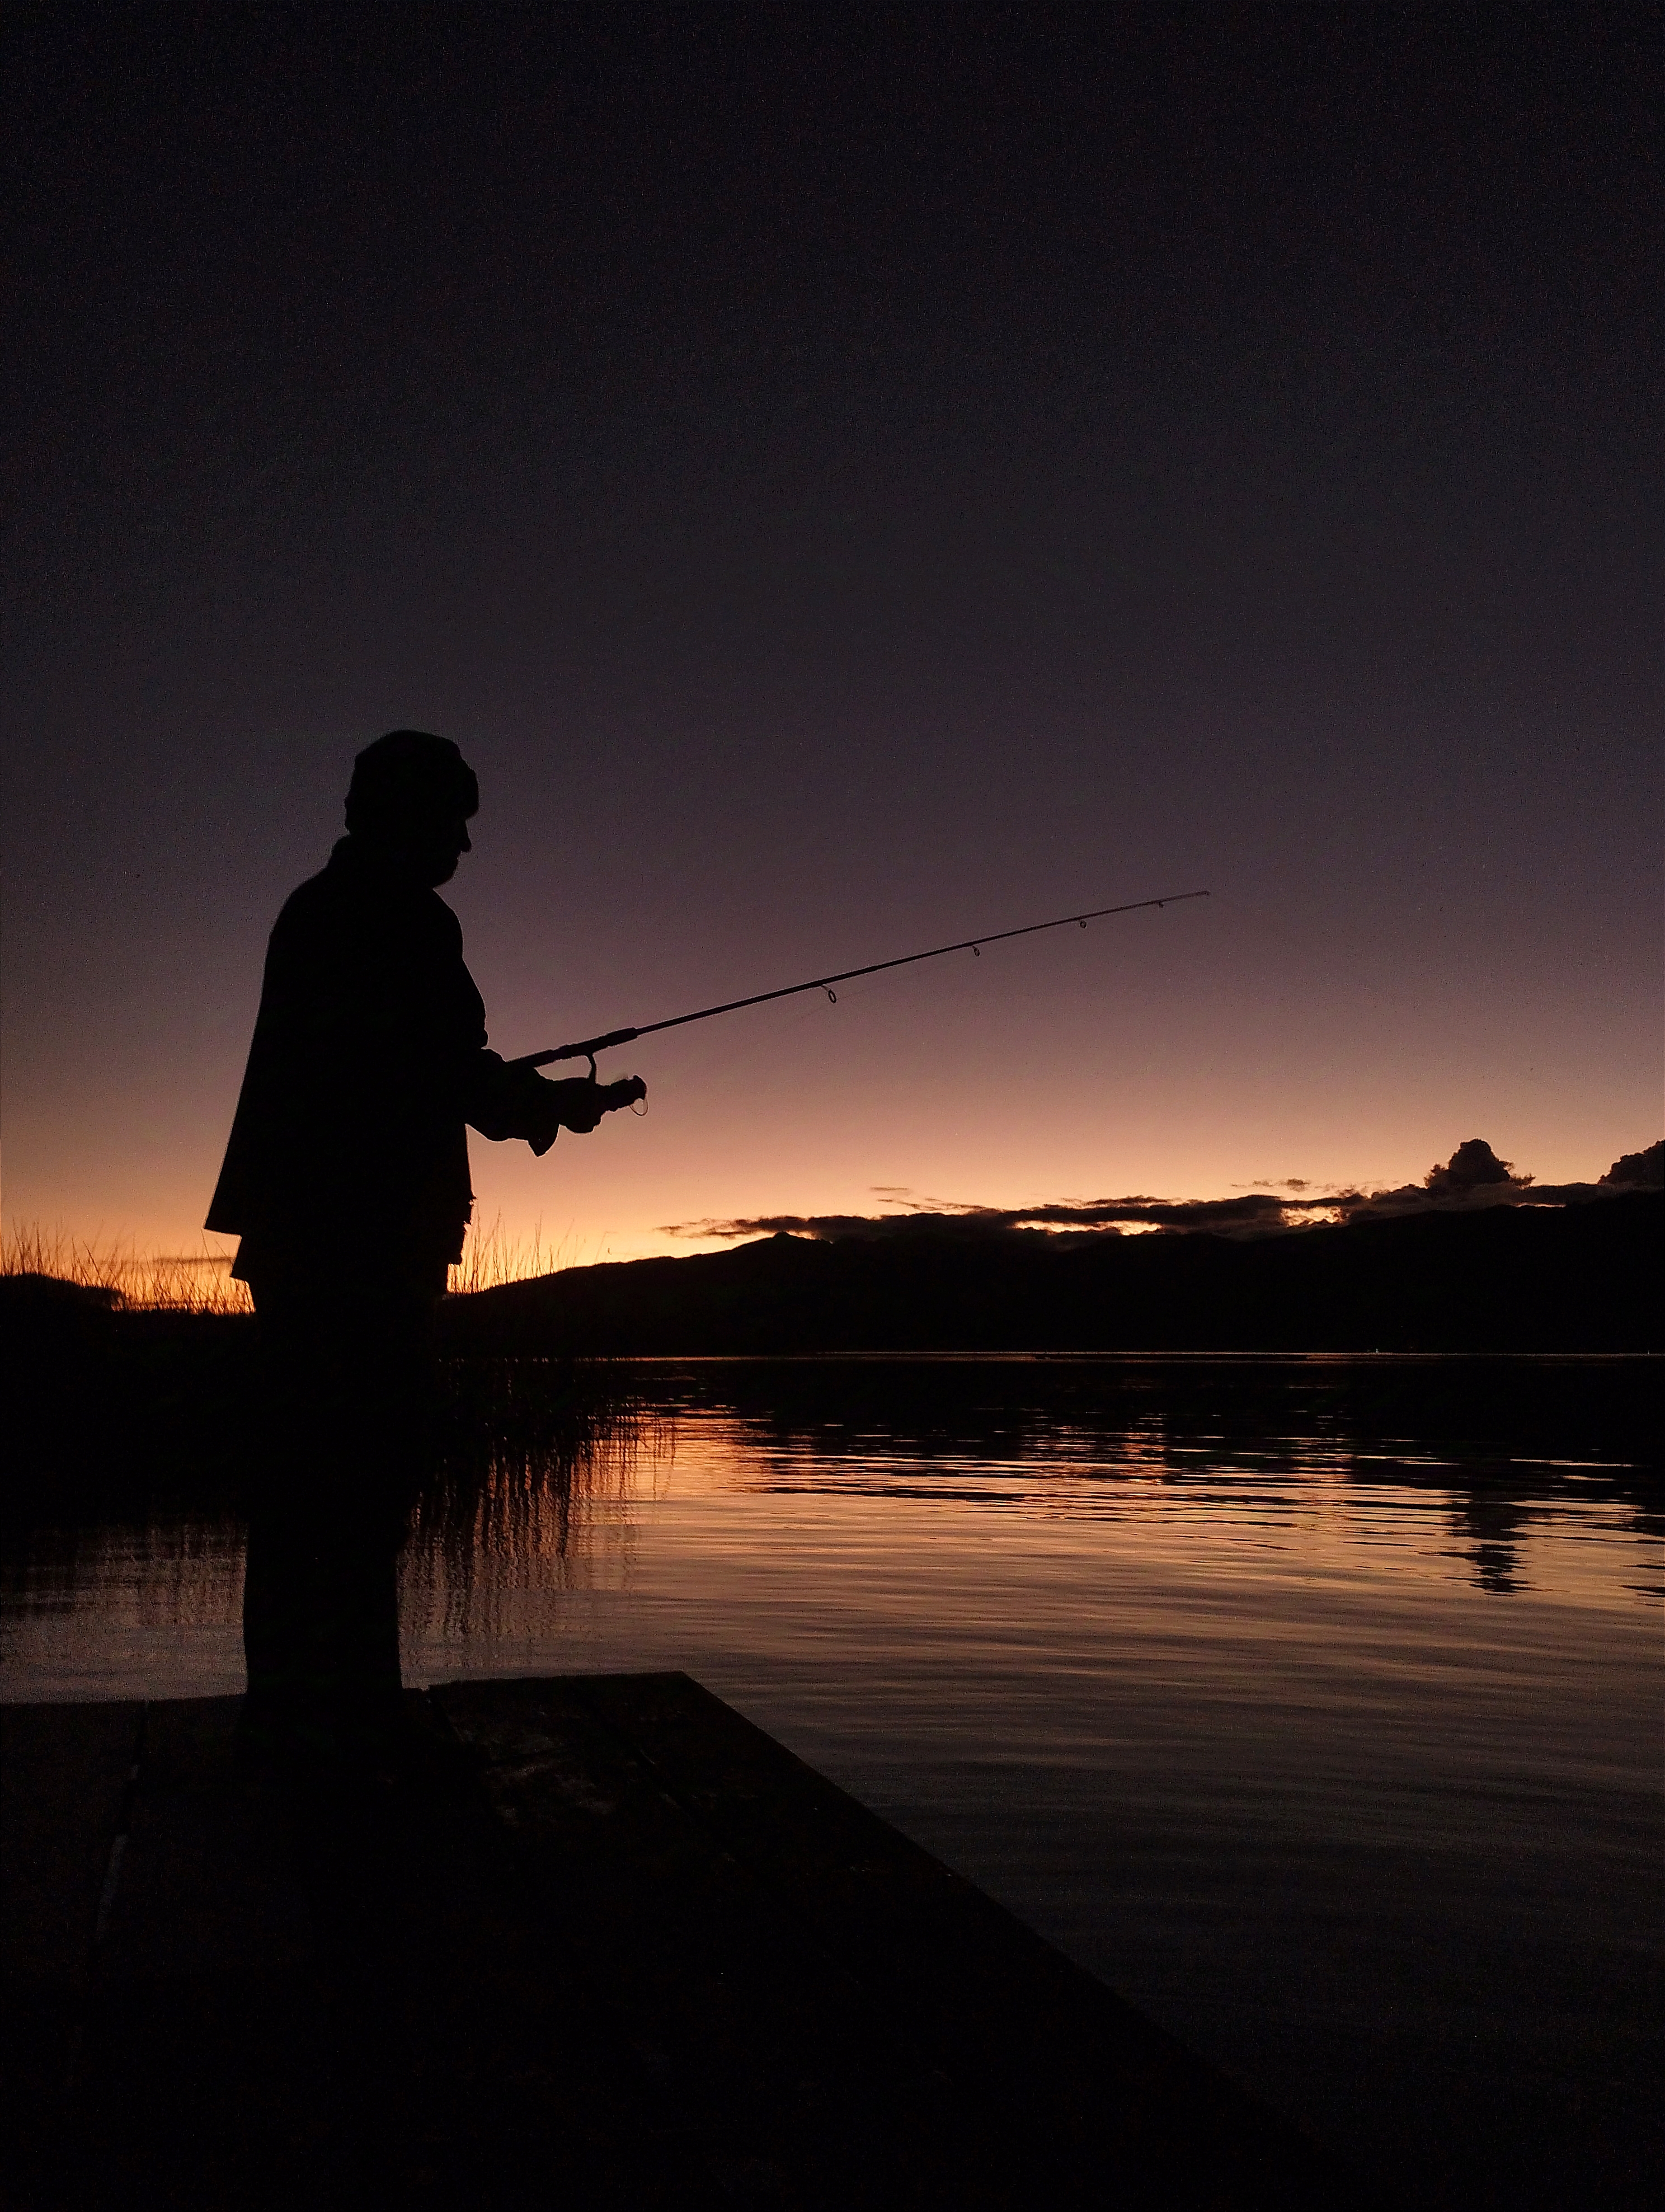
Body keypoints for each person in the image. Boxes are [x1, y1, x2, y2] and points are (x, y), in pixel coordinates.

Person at [206, 730, 639, 1765]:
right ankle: (353, 1719)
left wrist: (526, 1099)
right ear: (409, 814)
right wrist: (556, 1105)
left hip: (306, 1234)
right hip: (363, 1238)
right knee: (361, 1475)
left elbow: (422, 1067)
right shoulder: (401, 918)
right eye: (455, 822)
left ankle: (298, 1710)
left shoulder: (319, 907)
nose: (464, 846)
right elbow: (449, 1072)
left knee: (312, 1478)